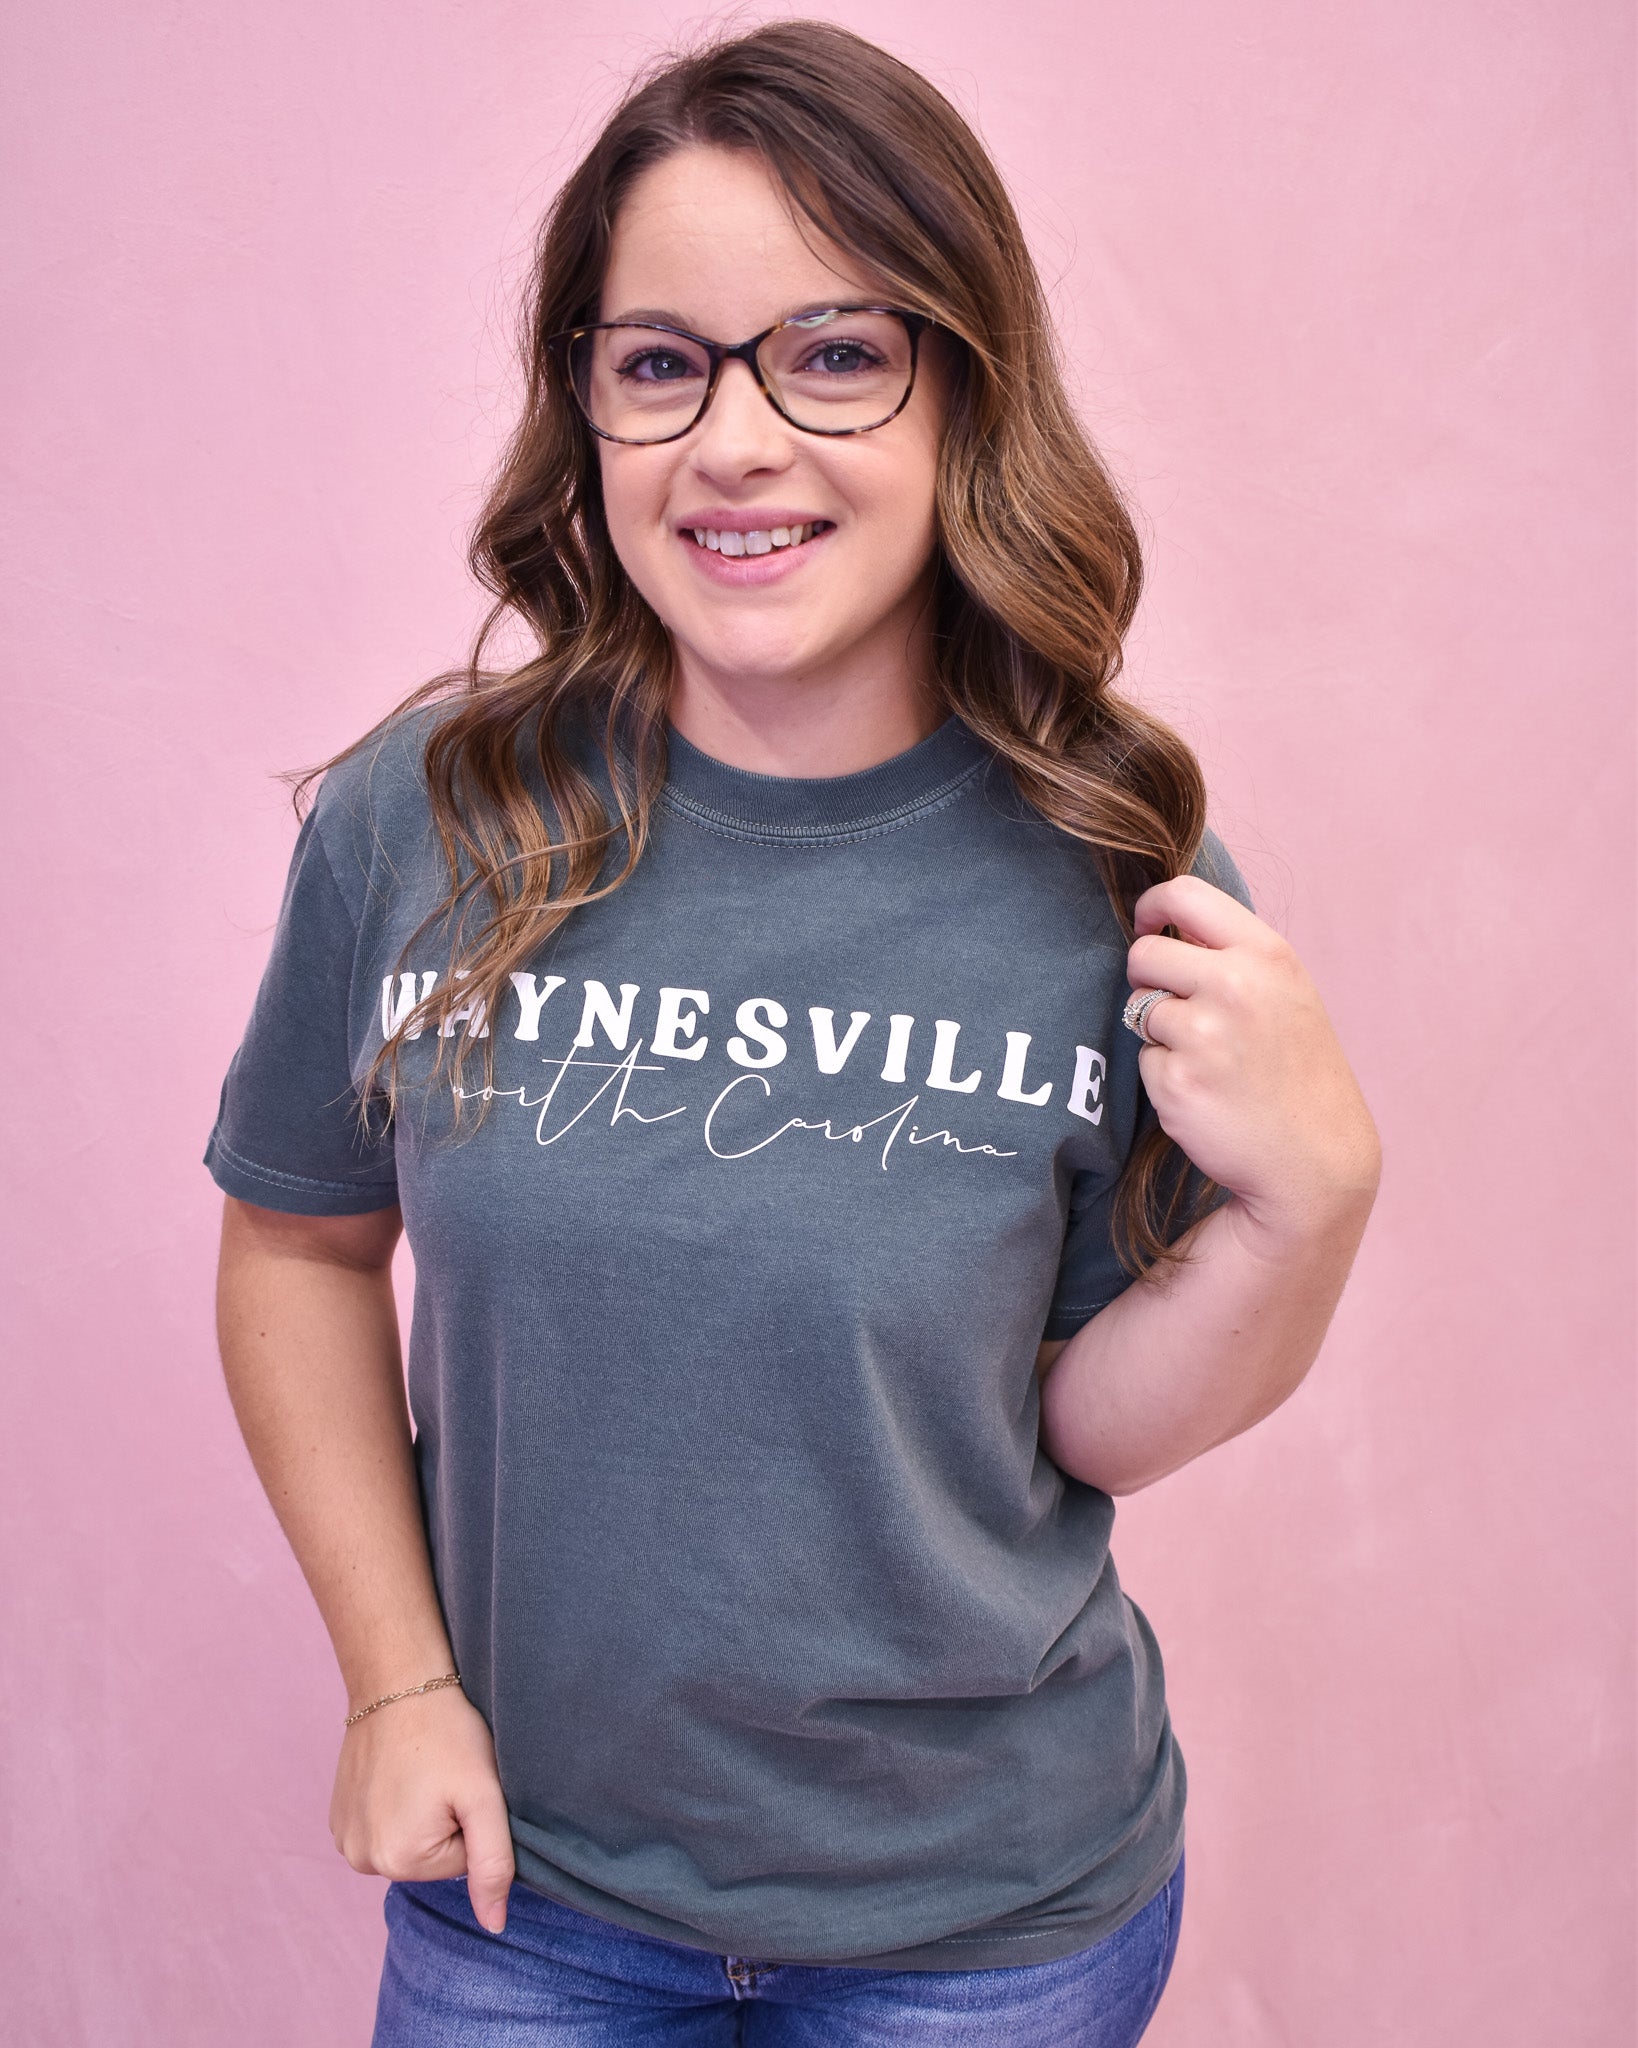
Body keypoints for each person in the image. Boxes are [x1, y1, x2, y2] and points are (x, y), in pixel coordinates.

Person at [208, 21, 1380, 2045]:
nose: (733, 442)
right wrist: (398, 1680)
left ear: (965, 384)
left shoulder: (1122, 865)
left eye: (833, 351)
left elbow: (1085, 1427)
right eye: (659, 361)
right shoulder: (427, 816)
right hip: (528, 1900)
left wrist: (1315, 1206)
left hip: (987, 1925)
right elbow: (300, 1240)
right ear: (584, 407)